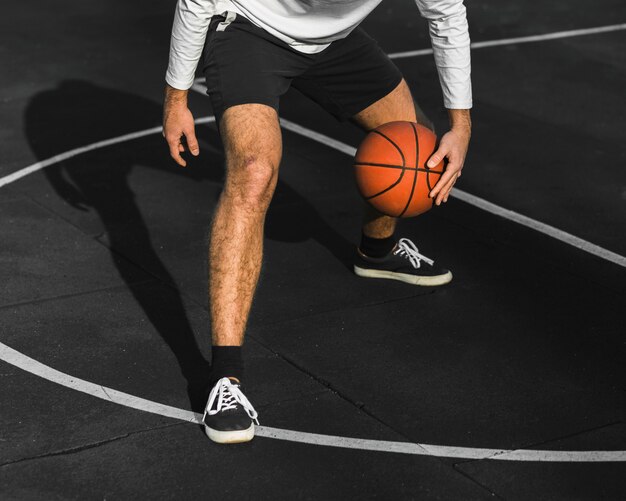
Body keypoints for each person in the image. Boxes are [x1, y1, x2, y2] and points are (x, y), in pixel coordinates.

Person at [162, 0, 472, 444]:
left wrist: (460, 127)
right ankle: (224, 380)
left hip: (335, 42)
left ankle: (377, 253)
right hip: (248, 28)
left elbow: (446, 15)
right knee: (254, 172)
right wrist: (176, 99)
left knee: (414, 149)